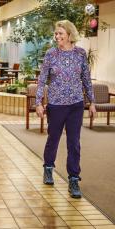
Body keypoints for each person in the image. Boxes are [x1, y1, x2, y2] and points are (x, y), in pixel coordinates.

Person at [35, 20, 96, 198]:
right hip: (55, 105)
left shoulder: (80, 54)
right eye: (56, 33)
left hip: (76, 105)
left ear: (70, 34)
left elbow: (86, 79)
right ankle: (48, 168)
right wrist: (39, 102)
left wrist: (91, 102)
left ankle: (74, 179)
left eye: (61, 33)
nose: (57, 36)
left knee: (74, 143)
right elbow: (42, 80)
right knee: (53, 139)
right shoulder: (51, 54)